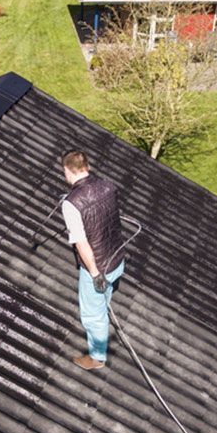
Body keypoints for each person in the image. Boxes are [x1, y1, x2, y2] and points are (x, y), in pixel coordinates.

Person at [60, 150, 126, 371]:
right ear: (86, 167)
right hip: (117, 257)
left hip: (98, 268)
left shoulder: (71, 204)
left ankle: (97, 358)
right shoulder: (108, 186)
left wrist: (95, 274)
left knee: (92, 315)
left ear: (67, 170)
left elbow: (82, 244)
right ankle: (103, 308)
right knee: (103, 301)